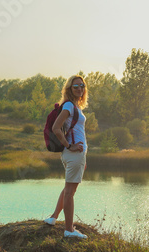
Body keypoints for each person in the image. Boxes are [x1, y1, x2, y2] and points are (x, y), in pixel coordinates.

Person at [44, 75, 89, 239]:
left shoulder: (75, 106)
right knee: (70, 192)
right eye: (75, 86)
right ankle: (69, 230)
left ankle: (53, 218)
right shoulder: (69, 105)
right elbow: (56, 128)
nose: (79, 88)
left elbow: (78, 132)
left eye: (82, 86)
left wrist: (82, 158)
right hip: (72, 154)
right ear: (69, 89)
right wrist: (69, 146)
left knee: (69, 189)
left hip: (75, 156)